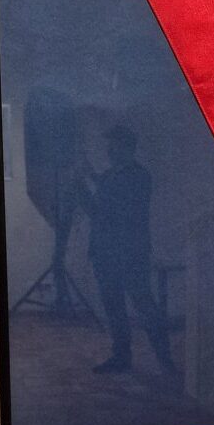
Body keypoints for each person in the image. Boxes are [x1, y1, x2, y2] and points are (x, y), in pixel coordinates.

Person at [78, 127, 173, 374]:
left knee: (145, 306)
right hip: (106, 254)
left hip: (130, 254)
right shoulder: (112, 175)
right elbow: (104, 200)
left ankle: (165, 360)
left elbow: (107, 212)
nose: (109, 150)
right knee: (115, 308)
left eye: (114, 145)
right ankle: (122, 357)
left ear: (127, 147)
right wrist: (88, 179)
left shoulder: (139, 177)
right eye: (109, 145)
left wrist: (84, 190)